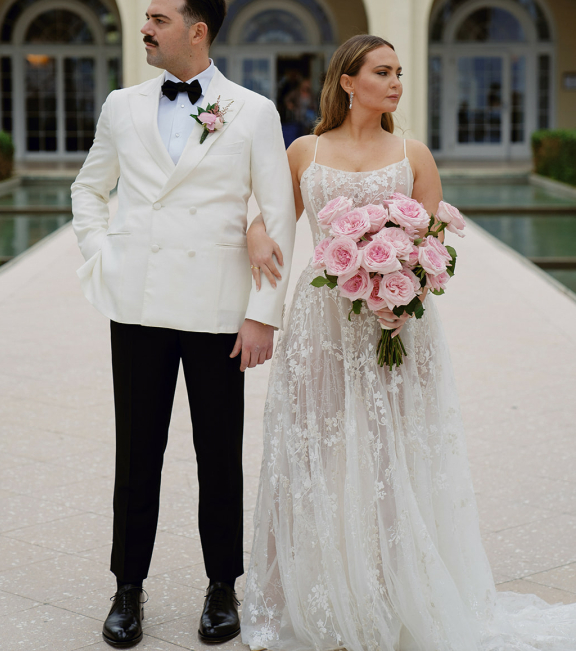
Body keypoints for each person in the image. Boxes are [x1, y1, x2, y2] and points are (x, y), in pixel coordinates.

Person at [240, 34, 576, 651]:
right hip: (320, 323)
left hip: (396, 325)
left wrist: (404, 299)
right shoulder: (304, 151)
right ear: (347, 80)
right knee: (310, 449)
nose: (396, 82)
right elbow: (272, 215)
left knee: (394, 456)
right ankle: (311, 595)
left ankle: (391, 594)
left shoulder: (412, 151)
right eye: (383, 72)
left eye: (399, 72)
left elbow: (432, 245)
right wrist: (258, 233)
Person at [71, 0, 295, 648]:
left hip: (218, 309)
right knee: (137, 451)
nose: (145, 27)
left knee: (217, 454)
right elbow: (89, 187)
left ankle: (223, 584)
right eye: (146, 17)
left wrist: (262, 313)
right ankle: (127, 586)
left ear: (197, 31)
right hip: (136, 302)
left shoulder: (251, 111)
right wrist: (101, 252)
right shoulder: (121, 104)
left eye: (158, 19)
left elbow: (278, 215)